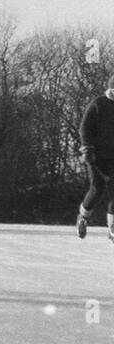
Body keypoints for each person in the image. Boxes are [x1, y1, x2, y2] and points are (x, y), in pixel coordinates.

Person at [76, 69, 114, 243]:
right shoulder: (99, 103)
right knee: (97, 188)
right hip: (96, 156)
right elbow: (85, 127)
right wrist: (87, 149)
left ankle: (112, 228)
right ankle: (83, 218)